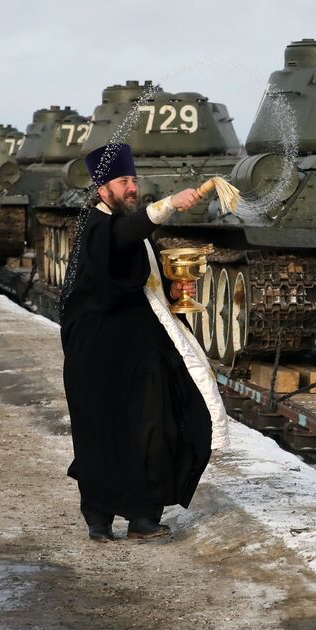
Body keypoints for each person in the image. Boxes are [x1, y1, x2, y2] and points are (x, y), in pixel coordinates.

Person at [60, 143, 234, 542]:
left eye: (134, 180)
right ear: (103, 189)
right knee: (101, 431)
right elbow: (122, 238)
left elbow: (138, 276)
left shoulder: (124, 223)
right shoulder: (97, 225)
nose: (132, 187)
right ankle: (99, 519)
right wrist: (170, 203)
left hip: (141, 346)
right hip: (98, 350)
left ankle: (142, 516)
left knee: (154, 426)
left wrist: (173, 288)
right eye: (123, 181)